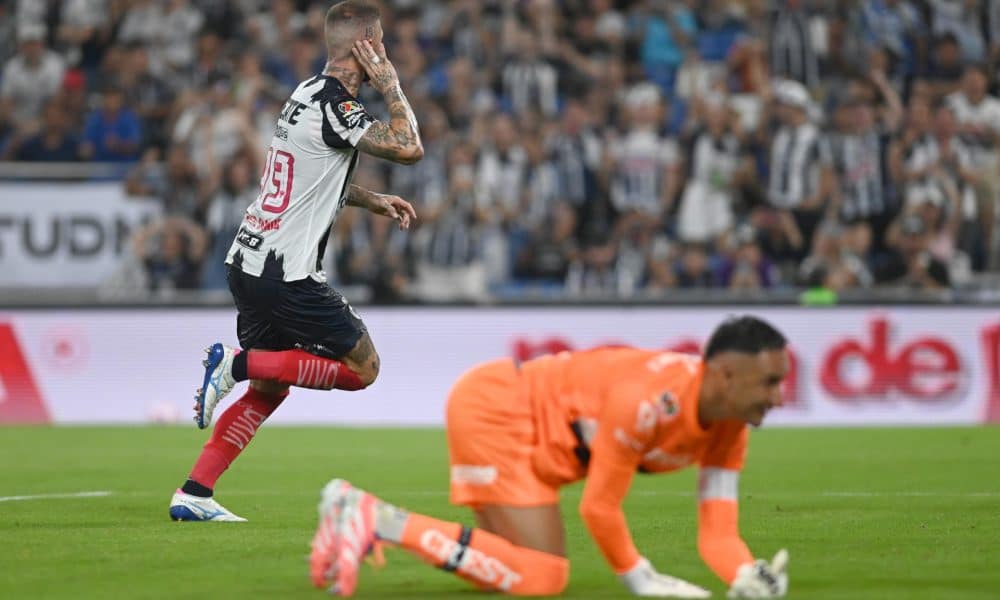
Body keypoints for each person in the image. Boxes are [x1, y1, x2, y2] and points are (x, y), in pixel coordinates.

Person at [310, 316, 792, 598]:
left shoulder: (730, 427)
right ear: (726, 375)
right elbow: (599, 507)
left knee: (509, 570)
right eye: (770, 383)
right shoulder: (649, 402)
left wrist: (743, 574)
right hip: (500, 411)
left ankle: (363, 515)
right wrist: (641, 579)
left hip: (533, 441)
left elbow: (719, 533)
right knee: (544, 575)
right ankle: (373, 517)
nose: (778, 397)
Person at [169, 0, 423, 522]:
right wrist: (392, 86)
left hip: (248, 260)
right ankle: (234, 364)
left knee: (270, 389)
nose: (385, 53)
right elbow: (408, 146)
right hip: (286, 274)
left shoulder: (305, 92)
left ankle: (195, 492)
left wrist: (370, 199)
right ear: (366, 46)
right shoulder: (338, 106)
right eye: (380, 42)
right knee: (364, 368)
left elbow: (310, 176)